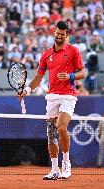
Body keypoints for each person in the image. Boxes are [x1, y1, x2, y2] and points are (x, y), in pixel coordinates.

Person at [19, 21, 85, 180]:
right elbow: (38, 77)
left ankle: (66, 163)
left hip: (68, 95)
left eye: (63, 34)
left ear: (67, 35)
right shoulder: (46, 55)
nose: (60, 36)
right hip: (52, 97)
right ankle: (55, 169)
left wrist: (70, 76)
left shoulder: (73, 51)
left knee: (61, 128)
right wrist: (27, 90)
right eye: (58, 33)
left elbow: (82, 73)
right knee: (51, 135)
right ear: (54, 32)